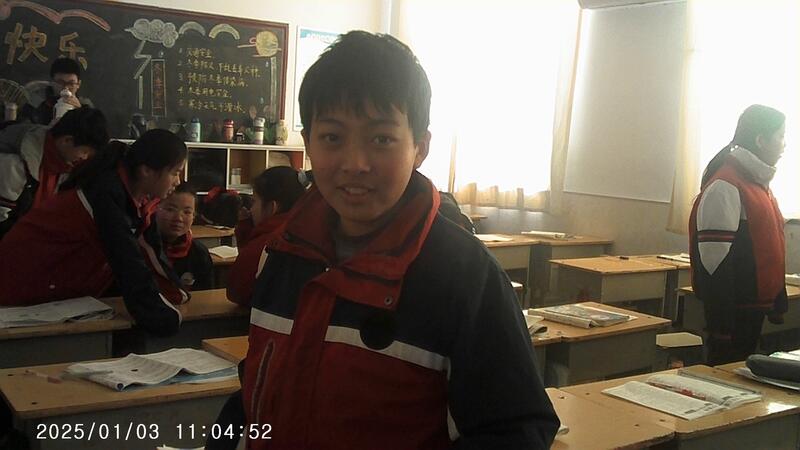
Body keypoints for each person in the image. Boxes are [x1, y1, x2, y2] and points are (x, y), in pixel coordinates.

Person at [239, 31, 559, 449]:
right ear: (309, 145)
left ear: (420, 148)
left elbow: (518, 432)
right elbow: (257, 393)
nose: (355, 164)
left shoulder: (465, 275)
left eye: (381, 139)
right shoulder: (281, 253)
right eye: (332, 137)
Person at [0, 129, 189, 336]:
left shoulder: (140, 198)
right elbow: (126, 259)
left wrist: (178, 294)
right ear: (147, 171)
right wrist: (162, 318)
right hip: (20, 283)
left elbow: (150, 251)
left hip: (54, 291)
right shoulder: (104, 192)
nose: (178, 181)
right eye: (175, 173)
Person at [689, 104, 788, 366]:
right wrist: (721, 327)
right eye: (780, 136)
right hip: (734, 313)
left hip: (754, 308)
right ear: (761, 140)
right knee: (726, 375)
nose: (784, 144)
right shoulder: (726, 185)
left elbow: (772, 246)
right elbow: (714, 264)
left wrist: (778, 300)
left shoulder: (759, 184)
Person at [0, 106, 108, 239]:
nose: (84, 158)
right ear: (67, 140)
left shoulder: (63, 165)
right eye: (84, 152)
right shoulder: (16, 163)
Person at [227, 166, 306, 306]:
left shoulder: (268, 244)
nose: (251, 209)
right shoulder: (313, 234)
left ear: (272, 207)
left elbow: (236, 291)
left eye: (254, 202)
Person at [156, 183, 214, 291]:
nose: (179, 218)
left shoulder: (199, 253)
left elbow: (205, 294)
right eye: (170, 209)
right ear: (155, 209)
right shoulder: (142, 248)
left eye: (187, 212)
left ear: (194, 216)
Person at [19, 57, 93, 125]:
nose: (66, 88)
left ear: (78, 84)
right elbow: (23, 130)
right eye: (60, 83)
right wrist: (49, 129)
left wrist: (81, 114)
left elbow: (94, 132)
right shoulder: (36, 103)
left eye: (71, 83)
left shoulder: (85, 106)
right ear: (52, 82)